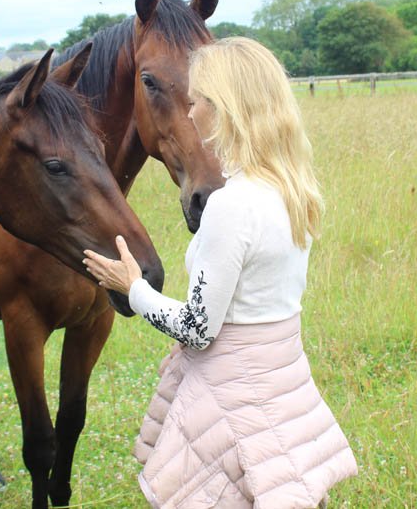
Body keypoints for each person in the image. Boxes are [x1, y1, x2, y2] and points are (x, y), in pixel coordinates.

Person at [83, 37, 358, 508]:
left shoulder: (232, 205)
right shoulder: (290, 188)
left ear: (226, 108)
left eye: (199, 101)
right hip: (281, 378)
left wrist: (133, 289)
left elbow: (198, 328)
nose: (190, 113)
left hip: (234, 393)